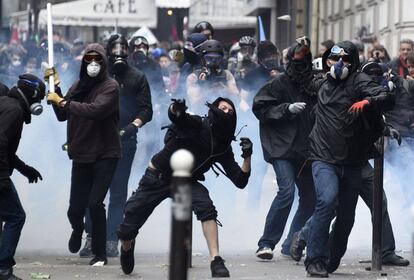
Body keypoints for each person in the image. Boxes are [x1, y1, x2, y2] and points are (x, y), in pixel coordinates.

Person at [290, 61, 409, 268]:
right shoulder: (343, 96)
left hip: (360, 163)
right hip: (338, 161)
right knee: (331, 204)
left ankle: (386, 250)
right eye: (369, 76)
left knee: (379, 202)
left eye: (377, 76)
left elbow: (376, 119)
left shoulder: (370, 98)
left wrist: (386, 128)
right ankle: (303, 236)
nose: (373, 79)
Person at [117, 97, 252, 278]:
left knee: (206, 208)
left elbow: (240, 180)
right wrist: (176, 108)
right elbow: (178, 118)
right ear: (213, 109)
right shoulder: (197, 123)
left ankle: (216, 260)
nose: (226, 112)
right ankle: (127, 246)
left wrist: (247, 156)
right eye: (223, 107)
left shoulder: (223, 146)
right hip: (158, 177)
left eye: (230, 110)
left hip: (187, 181)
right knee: (127, 230)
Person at [304, 41, 394, 277]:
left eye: (345, 59)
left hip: (353, 161)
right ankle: (314, 258)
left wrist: (369, 101)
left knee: (346, 217)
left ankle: (331, 258)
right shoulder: (320, 83)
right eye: (334, 59)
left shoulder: (359, 81)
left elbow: (386, 96)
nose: (339, 64)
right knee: (326, 200)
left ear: (353, 63)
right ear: (327, 62)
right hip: (323, 157)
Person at [46, 43, 121, 266]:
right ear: (83, 62)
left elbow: (96, 111)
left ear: (104, 62)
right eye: (89, 60)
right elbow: (62, 113)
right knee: (75, 208)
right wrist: (55, 88)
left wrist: (65, 102)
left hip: (106, 152)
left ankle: (100, 253)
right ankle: (77, 228)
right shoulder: (78, 86)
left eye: (98, 60)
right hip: (81, 152)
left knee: (96, 203)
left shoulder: (111, 87)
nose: (93, 64)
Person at [78, 34, 153, 258]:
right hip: (97, 140)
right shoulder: (96, 75)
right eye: (114, 48)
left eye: (123, 48)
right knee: (94, 192)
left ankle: (111, 239)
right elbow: (80, 102)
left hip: (124, 141)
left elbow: (146, 110)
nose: (119, 52)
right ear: (107, 51)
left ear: (128, 52)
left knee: (118, 192)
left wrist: (133, 126)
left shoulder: (137, 77)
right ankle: (92, 238)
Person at [252, 38, 317, 260]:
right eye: (296, 60)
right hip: (282, 148)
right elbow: (260, 107)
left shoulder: (314, 84)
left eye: (304, 60)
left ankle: (292, 242)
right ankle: (266, 242)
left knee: (309, 198)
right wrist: (286, 109)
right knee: (287, 192)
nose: (300, 64)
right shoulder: (278, 83)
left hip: (305, 149)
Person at [0, 74, 45, 280]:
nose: (40, 103)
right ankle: (3, 268)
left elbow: (6, 149)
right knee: (16, 217)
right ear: (32, 94)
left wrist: (23, 168)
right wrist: (2, 178)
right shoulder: (14, 111)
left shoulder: (8, 104)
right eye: (40, 97)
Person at [186, 39, 241, 112]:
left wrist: (224, 89)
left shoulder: (227, 74)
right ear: (202, 59)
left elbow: (237, 99)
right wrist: (204, 87)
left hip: (222, 115)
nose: (213, 62)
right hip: (201, 116)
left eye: (217, 59)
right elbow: (195, 105)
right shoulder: (193, 77)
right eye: (209, 58)